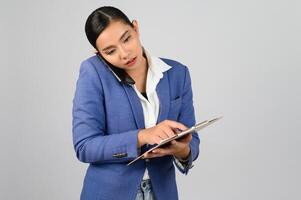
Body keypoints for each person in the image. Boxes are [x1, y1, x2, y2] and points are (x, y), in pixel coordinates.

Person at [72, 6, 200, 200]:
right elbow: (85, 146)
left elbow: (193, 141)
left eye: (127, 39)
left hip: (162, 193)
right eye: (110, 51)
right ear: (98, 54)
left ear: (136, 28)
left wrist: (182, 150)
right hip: (109, 194)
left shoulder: (177, 73)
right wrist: (142, 136)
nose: (124, 54)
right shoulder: (93, 73)